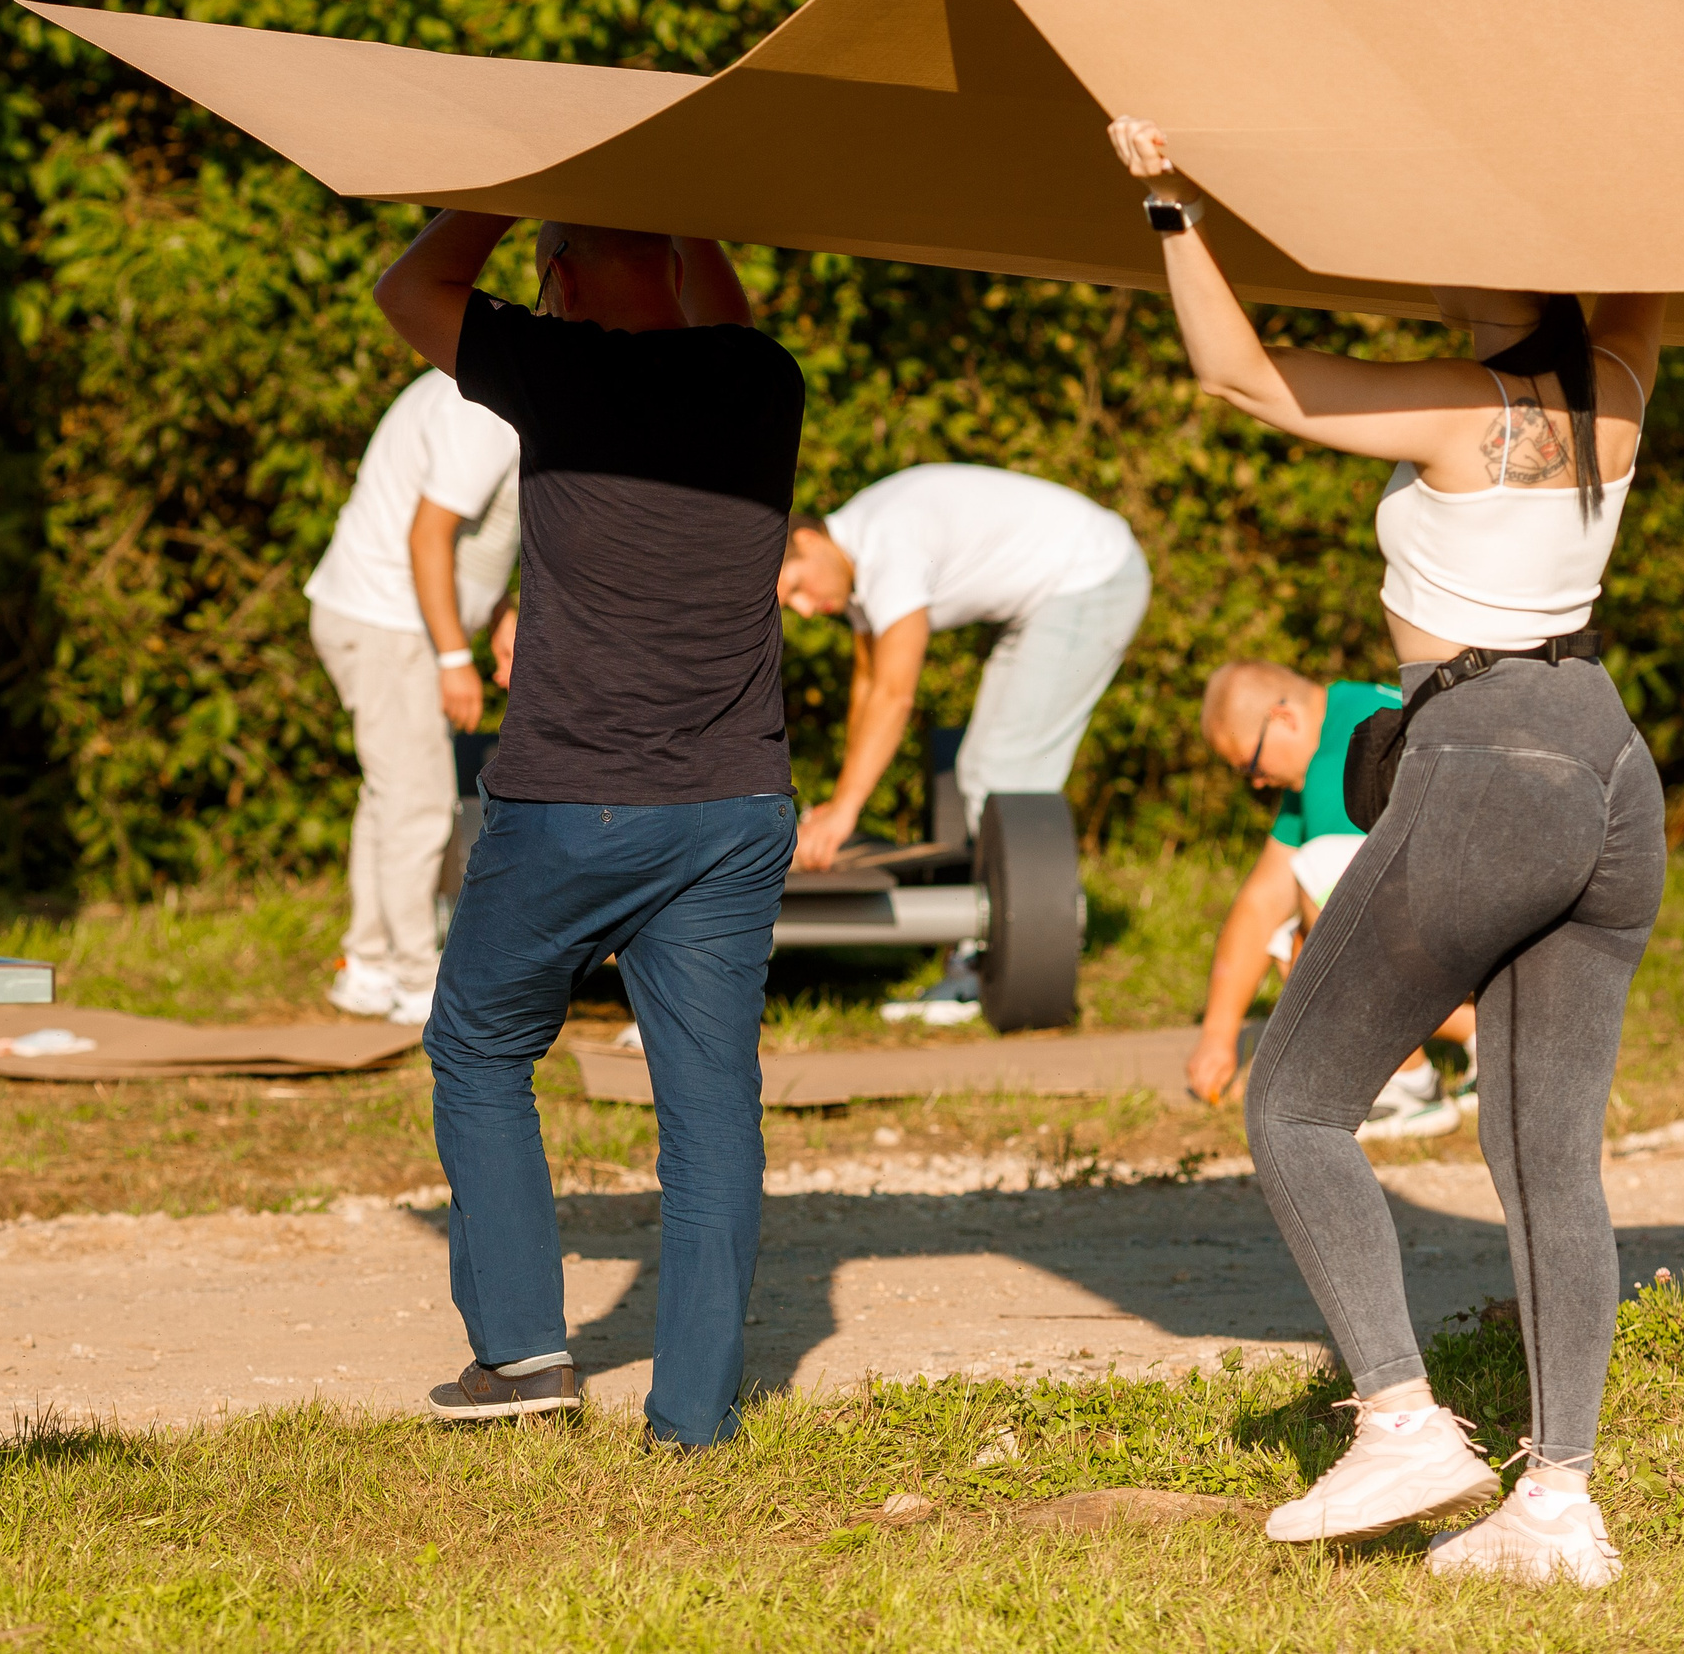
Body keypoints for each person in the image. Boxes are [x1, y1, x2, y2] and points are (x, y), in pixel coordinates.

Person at [1110, 115, 1666, 1587]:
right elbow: (1661, 243)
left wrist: (1171, 203)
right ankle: (1558, 1499)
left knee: (1293, 1100)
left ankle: (1406, 1420)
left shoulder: (1461, 409)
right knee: (1547, 1155)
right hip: (1611, 756)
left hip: (1488, 754)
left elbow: (1237, 374)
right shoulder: (1617, 383)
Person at [374, 214, 804, 1447]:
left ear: (555, 277)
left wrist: (498, 193)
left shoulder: (558, 367)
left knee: (479, 1044)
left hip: (578, 800)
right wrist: (679, 204)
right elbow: (721, 309)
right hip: (734, 806)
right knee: (711, 1110)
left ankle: (521, 1357)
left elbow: (410, 286)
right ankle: (695, 1416)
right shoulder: (761, 378)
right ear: (675, 257)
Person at [777, 463, 1149, 870]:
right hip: (1054, 595)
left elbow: (894, 694)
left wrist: (846, 810)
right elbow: (867, 684)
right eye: (791, 605)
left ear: (809, 540)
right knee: (978, 768)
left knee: (1002, 771)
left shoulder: (887, 546)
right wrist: (839, 802)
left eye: (796, 587)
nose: (806, 610)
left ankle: (1018, 925)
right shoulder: (859, 552)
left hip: (1093, 574)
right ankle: (996, 916)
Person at [304, 369, 524, 1027]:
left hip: (380, 617)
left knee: (389, 795)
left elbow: (470, 543)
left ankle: (367, 967)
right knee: (420, 804)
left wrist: (496, 615)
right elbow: (428, 535)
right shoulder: (482, 405)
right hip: (391, 625)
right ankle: (417, 981)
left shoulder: (483, 395)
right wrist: (454, 657)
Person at [1188, 661, 1473, 1136]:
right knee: (1305, 908)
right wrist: (1218, 1037)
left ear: (1282, 719)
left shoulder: (1342, 755)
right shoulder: (1356, 708)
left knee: (1308, 930)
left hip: (1484, 901)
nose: (1256, 783)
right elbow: (1261, 900)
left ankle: (1407, 1087)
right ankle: (1489, 1041)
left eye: (1251, 765)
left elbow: (1322, 900)